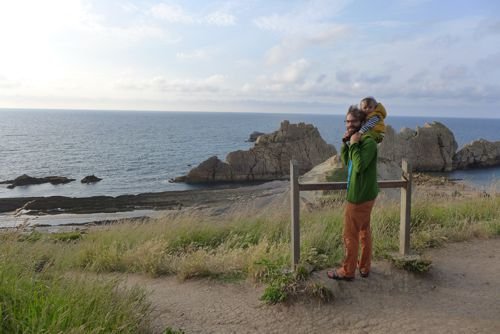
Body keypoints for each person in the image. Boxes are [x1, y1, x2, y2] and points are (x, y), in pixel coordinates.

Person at [327, 105, 379, 281]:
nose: (349, 125)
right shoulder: (359, 141)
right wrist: (346, 144)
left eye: (353, 121)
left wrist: (355, 144)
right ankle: (364, 267)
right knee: (364, 232)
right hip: (365, 194)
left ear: (362, 122)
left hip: (358, 197)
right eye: (347, 121)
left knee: (350, 235)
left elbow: (359, 166)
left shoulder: (368, 142)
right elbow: (347, 162)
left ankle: (347, 271)